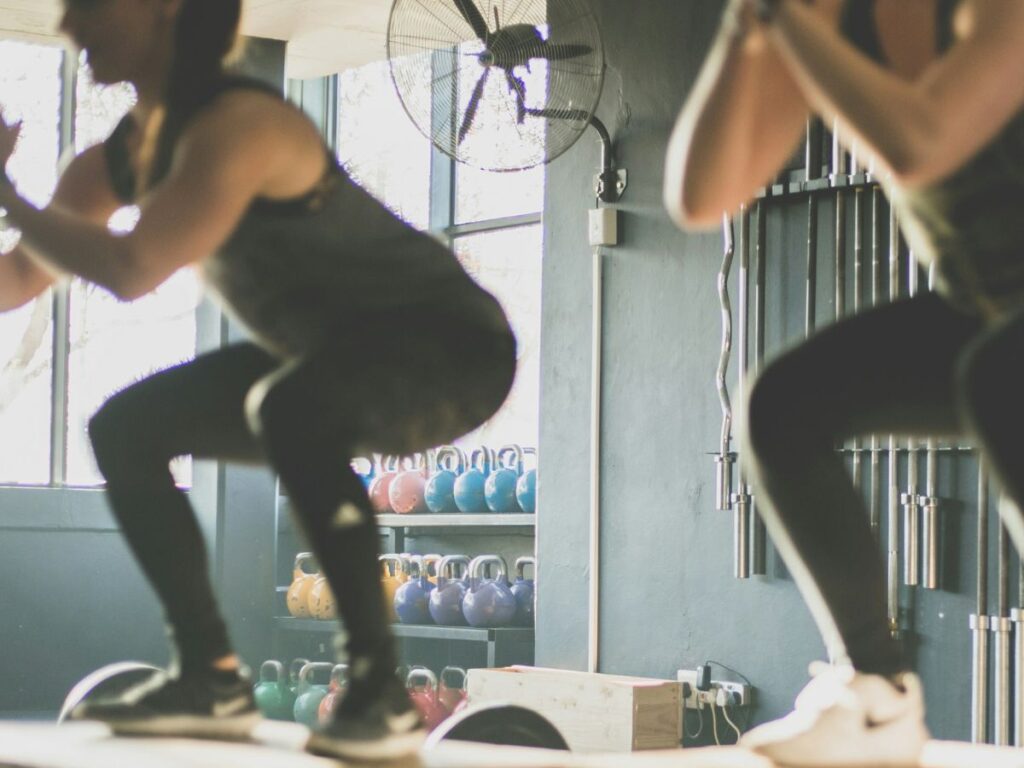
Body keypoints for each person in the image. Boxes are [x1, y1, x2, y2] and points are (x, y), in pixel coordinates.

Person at [0, 0, 516, 760]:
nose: (72, 26)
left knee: (287, 408)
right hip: (322, 355)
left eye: (92, 8)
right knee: (126, 427)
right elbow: (17, 277)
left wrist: (9, 198)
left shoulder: (243, 124)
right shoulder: (116, 159)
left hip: (449, 346)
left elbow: (133, 268)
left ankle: (380, 693)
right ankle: (210, 677)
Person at [665, 0, 1024, 764]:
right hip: (985, 309)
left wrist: (787, 24)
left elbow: (920, 140)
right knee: (783, 405)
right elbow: (701, 197)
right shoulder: (829, 19)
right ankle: (879, 701)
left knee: (998, 372)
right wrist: (746, 30)